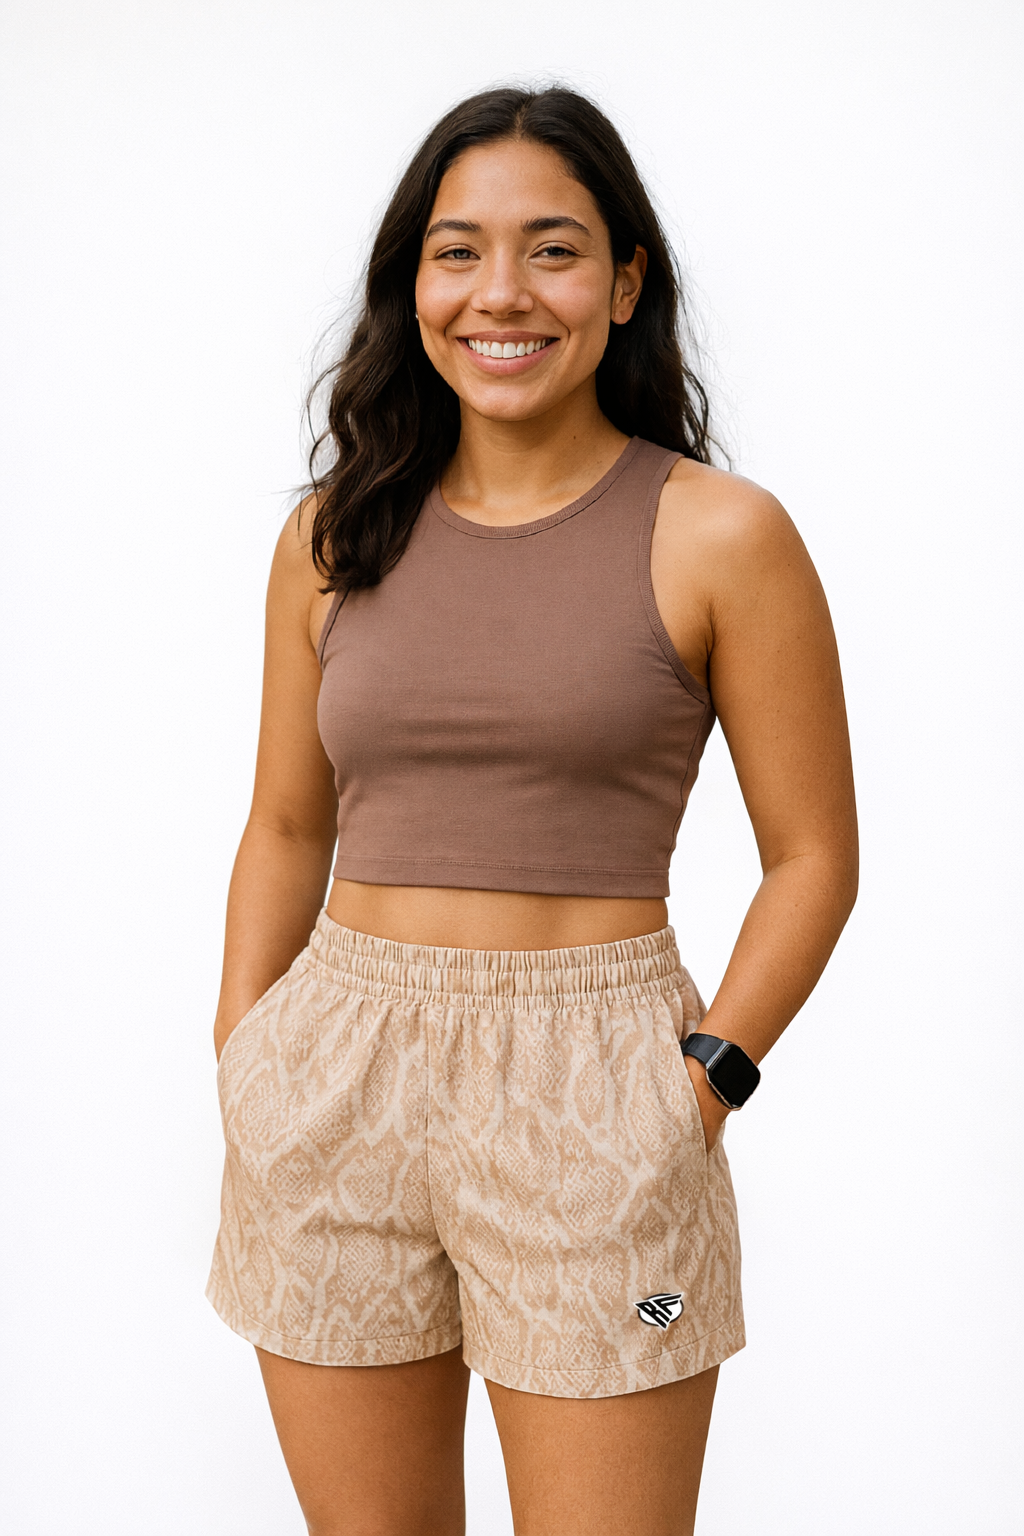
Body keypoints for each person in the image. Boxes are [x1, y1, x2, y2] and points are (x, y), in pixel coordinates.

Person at [206, 85, 858, 1536]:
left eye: (553, 250)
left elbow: (814, 856)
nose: (501, 293)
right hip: (333, 1078)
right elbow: (287, 824)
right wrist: (246, 1048)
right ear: (414, 284)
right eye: (459, 252)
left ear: (625, 284)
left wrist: (699, 1088)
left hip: (600, 1076)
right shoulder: (332, 535)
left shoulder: (718, 534)